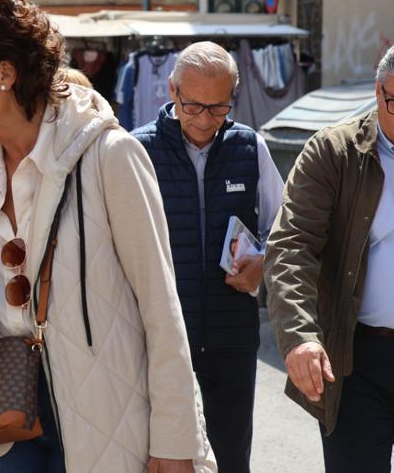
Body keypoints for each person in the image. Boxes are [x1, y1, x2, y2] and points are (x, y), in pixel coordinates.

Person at [0, 0, 212, 472]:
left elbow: (162, 310)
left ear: (5, 74)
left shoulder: (110, 156)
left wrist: (176, 438)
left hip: (103, 409)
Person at [264, 31, 394, 472]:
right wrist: (300, 337)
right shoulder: (333, 153)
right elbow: (292, 245)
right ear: (378, 92)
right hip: (359, 363)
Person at [132, 42, 284, 473]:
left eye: (218, 109)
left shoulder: (250, 147)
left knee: (231, 456)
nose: (204, 120)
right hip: (157, 338)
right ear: (171, 90)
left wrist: (265, 261)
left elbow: (285, 226)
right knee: (161, 456)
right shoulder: (135, 151)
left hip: (230, 338)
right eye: (193, 105)